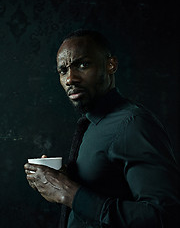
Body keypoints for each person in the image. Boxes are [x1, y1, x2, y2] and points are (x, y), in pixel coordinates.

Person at [24, 30, 180, 228]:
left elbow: (165, 216)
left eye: (83, 64)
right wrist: (61, 181)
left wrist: (69, 192)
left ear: (110, 65)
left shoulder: (133, 123)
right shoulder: (91, 123)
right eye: (63, 71)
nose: (70, 79)